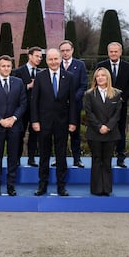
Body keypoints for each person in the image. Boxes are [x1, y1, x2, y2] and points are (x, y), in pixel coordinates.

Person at [30, 48, 77, 196]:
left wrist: (72, 121)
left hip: (62, 123)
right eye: (50, 59)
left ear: (60, 59)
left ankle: (61, 186)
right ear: (46, 60)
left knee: (61, 156)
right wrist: (35, 121)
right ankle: (42, 186)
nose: (53, 62)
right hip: (43, 123)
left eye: (56, 59)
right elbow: (34, 101)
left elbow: (73, 102)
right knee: (44, 155)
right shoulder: (40, 76)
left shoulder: (69, 77)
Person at [0, 55, 27, 196]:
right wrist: (1, 120)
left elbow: (23, 103)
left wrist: (13, 118)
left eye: (8, 66)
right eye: (3, 66)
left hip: (15, 126)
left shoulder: (18, 82)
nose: (6, 68)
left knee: (13, 157)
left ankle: (11, 186)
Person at [83, 67, 123, 196]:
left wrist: (108, 126)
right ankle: (96, 188)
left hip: (111, 133)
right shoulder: (89, 94)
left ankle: (106, 188)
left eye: (103, 75)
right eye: (98, 76)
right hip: (95, 133)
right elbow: (89, 113)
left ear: (107, 78)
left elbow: (117, 114)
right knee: (97, 160)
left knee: (107, 161)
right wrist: (100, 126)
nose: (100, 78)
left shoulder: (116, 94)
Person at [96, 42, 129, 167]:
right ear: (108, 52)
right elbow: (97, 84)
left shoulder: (128, 67)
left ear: (120, 52)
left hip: (121, 105)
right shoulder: (101, 66)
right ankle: (104, 157)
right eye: (111, 51)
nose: (113, 53)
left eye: (116, 51)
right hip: (104, 106)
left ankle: (120, 158)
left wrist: (121, 99)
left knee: (120, 131)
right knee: (104, 130)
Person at [59, 40, 88, 168]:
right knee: (60, 134)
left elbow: (83, 85)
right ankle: (59, 158)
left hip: (74, 106)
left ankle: (77, 159)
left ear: (72, 50)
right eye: (63, 51)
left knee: (75, 134)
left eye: (67, 50)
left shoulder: (80, 65)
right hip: (58, 107)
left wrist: (73, 99)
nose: (65, 53)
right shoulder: (56, 64)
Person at [13, 46, 43, 166]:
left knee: (34, 134)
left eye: (40, 57)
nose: (39, 59)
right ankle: (17, 159)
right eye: (37, 56)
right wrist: (28, 86)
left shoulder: (41, 73)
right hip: (22, 109)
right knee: (19, 133)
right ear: (30, 56)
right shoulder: (19, 71)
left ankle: (31, 158)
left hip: (36, 109)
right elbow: (15, 90)